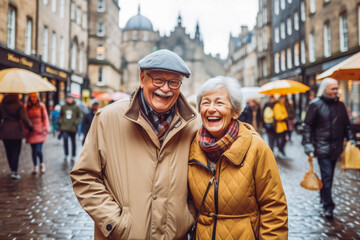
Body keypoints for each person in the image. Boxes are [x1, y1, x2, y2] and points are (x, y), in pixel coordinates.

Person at [70, 49, 200, 239]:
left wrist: (187, 218)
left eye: (174, 82)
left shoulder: (194, 125)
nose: (165, 89)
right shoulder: (108, 118)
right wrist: (115, 222)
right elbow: (85, 176)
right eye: (158, 80)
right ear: (142, 78)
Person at [188, 76, 288, 239]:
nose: (211, 109)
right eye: (206, 103)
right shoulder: (191, 146)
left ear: (235, 111)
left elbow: (274, 209)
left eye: (219, 103)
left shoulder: (257, 148)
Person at [303, 78, 355, 220]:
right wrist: (308, 145)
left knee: (329, 177)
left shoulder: (340, 105)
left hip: (337, 148)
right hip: (322, 147)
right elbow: (307, 125)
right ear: (325, 89)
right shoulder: (315, 105)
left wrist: (351, 139)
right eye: (332, 88)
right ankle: (328, 206)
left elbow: (346, 124)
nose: (335, 90)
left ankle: (323, 195)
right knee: (327, 177)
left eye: (336, 88)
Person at [0, 93, 33, 179]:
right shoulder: (19, 105)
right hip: (16, 131)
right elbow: (24, 118)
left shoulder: (2, 105)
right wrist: (30, 127)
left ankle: (12, 169)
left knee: (8, 151)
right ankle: (14, 171)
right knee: (16, 151)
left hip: (5, 131)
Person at [25, 92, 50, 174]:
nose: (34, 98)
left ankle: (42, 164)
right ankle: (35, 166)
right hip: (31, 131)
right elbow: (24, 119)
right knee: (33, 150)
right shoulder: (26, 107)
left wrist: (45, 128)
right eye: (32, 97)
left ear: (38, 97)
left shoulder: (41, 106)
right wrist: (26, 129)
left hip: (40, 131)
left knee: (38, 150)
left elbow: (45, 118)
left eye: (35, 96)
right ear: (30, 97)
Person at [58, 94, 82, 161]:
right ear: (66, 99)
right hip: (65, 127)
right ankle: (66, 154)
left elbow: (80, 116)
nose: (69, 100)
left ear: (72, 99)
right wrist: (61, 122)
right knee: (65, 139)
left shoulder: (76, 107)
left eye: (70, 98)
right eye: (68, 98)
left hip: (73, 127)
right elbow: (60, 116)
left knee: (73, 142)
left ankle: (73, 155)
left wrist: (76, 122)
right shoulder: (63, 107)